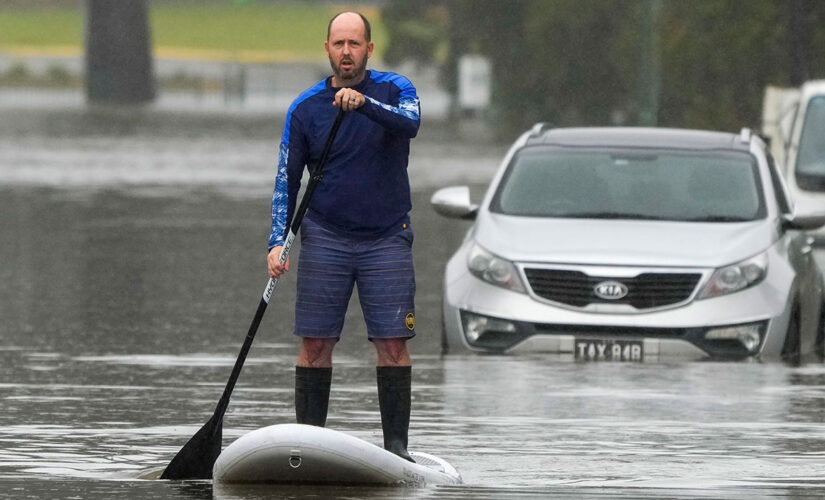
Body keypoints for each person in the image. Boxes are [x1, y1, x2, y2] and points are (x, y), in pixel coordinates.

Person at [266, 11, 420, 462]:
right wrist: (277, 242)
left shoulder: (396, 89)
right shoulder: (305, 108)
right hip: (326, 238)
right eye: (339, 44)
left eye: (355, 44)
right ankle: (310, 447)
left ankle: (397, 450)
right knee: (315, 344)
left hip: (387, 237)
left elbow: (409, 122)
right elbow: (285, 182)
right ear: (327, 49)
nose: (347, 52)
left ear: (369, 50)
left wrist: (363, 104)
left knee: (393, 344)